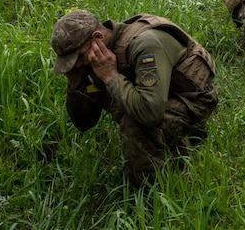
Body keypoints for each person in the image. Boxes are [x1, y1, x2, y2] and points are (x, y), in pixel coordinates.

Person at [50, 10, 218, 186]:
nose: (77, 64)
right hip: (160, 97)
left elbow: (150, 113)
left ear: (98, 37)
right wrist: (75, 82)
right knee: (129, 109)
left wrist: (110, 76)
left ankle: (150, 196)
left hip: (193, 100)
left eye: (78, 57)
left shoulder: (145, 44)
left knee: (134, 124)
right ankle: (180, 145)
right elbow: (84, 123)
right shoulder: (97, 57)